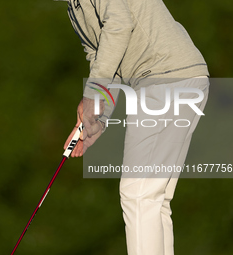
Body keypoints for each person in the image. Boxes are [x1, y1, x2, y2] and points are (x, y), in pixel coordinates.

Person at [59, 0, 210, 254]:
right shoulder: (74, 7)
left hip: (166, 78)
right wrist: (99, 118)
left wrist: (93, 94)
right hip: (175, 79)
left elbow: (119, 25)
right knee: (154, 199)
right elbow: (105, 57)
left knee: (137, 193)